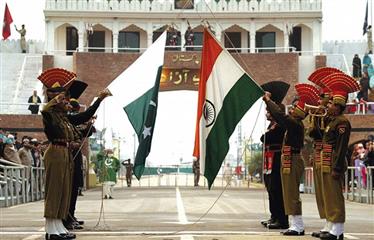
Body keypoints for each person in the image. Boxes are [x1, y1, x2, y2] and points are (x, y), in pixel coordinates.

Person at [263, 83, 319, 236]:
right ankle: (295, 224)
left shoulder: (294, 124)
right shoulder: (294, 124)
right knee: (288, 193)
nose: (292, 110)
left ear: (300, 113)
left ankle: (298, 225)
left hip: (293, 159)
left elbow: (280, 116)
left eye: (295, 109)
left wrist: (268, 101)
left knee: (292, 193)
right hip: (289, 159)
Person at [38, 68, 79, 240]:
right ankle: (50, 229)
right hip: (55, 152)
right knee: (54, 190)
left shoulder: (62, 117)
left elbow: (73, 134)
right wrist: (56, 98)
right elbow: (46, 109)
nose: (66, 101)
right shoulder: (50, 114)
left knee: (63, 190)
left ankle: (58, 225)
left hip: (64, 152)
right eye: (62, 99)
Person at [318, 72, 359, 240]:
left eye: (333, 104)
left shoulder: (342, 122)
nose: (329, 107)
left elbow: (341, 147)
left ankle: (338, 229)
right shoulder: (333, 121)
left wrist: (336, 167)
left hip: (334, 161)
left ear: (339, 106)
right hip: (327, 160)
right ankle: (332, 226)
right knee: (328, 195)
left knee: (335, 195)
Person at [259, 81, 289, 230]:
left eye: (269, 111)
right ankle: (274, 216)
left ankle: (282, 218)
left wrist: (265, 136)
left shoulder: (281, 124)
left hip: (277, 159)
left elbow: (267, 138)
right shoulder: (272, 125)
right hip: (270, 159)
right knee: (271, 189)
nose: (267, 113)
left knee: (277, 189)